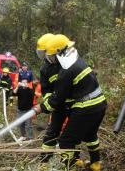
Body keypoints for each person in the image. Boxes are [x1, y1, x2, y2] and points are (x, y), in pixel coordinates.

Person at [34, 34, 107, 171]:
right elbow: (49, 91)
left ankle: (71, 165)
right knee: (60, 133)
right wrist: (49, 103)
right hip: (84, 105)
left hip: (79, 106)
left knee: (67, 139)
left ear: (58, 52)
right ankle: (45, 162)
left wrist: (43, 107)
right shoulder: (72, 61)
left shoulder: (66, 68)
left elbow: (61, 93)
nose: (48, 58)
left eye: (50, 55)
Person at [36, 33, 71, 164]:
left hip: (74, 105)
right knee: (51, 134)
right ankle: (44, 162)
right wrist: (49, 102)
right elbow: (46, 89)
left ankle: (70, 161)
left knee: (70, 135)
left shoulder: (66, 63)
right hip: (57, 106)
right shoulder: (45, 69)